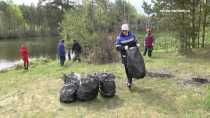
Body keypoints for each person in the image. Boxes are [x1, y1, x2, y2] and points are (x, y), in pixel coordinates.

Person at [115, 24, 140, 88]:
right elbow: (117, 47)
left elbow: (135, 41)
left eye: (126, 31)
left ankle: (131, 79)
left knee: (132, 66)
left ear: (128, 30)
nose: (125, 32)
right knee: (127, 68)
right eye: (123, 31)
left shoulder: (132, 35)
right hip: (124, 56)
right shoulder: (119, 38)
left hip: (132, 54)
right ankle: (129, 81)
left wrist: (137, 43)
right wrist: (123, 47)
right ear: (122, 30)